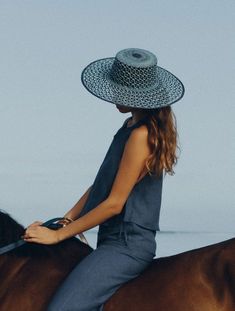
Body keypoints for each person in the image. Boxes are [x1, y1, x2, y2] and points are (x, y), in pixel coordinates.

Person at [23, 47, 185, 311]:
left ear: (139, 96)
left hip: (127, 245)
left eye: (120, 89)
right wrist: (63, 221)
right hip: (111, 241)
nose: (113, 95)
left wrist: (59, 237)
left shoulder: (140, 136)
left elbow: (114, 203)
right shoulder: (128, 127)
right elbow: (98, 187)